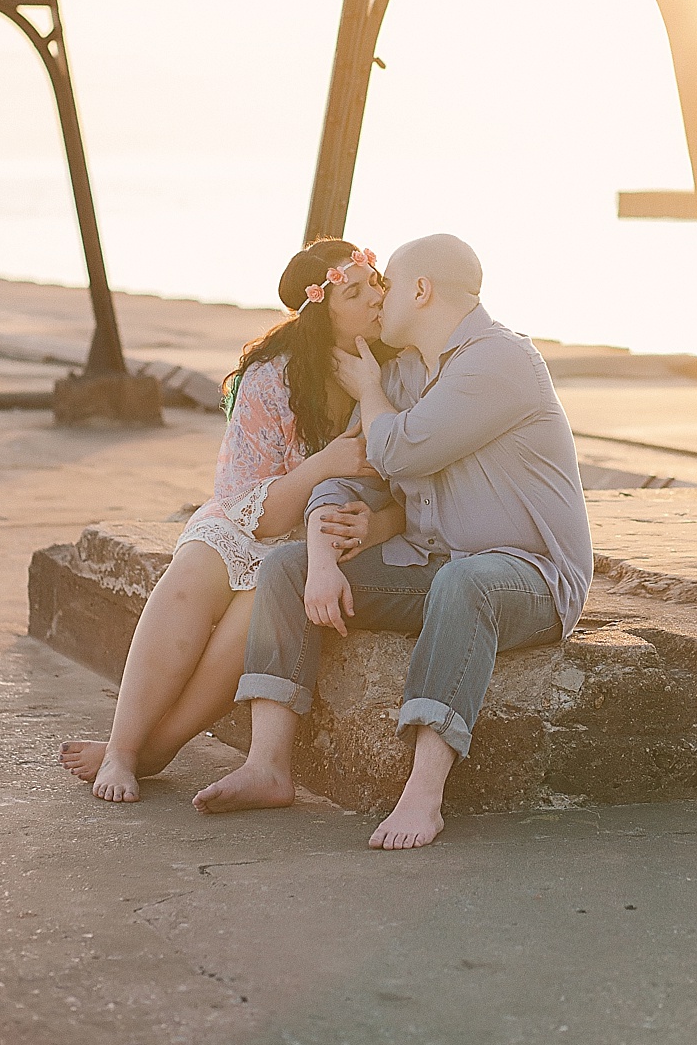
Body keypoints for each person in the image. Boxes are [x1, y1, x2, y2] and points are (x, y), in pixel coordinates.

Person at [191, 234, 592, 851]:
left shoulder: (500, 360)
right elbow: (350, 471)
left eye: (390, 285)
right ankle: (267, 766)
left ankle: (423, 794)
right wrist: (323, 562)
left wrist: (370, 394)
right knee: (287, 569)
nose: (381, 299)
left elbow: (400, 447)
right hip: (435, 565)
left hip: (530, 576)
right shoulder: (403, 372)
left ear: (422, 291)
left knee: (467, 582)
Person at [60, 240, 390, 802]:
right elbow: (254, 517)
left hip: (320, 541)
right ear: (320, 312)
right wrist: (326, 462)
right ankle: (121, 747)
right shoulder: (272, 377)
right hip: (255, 518)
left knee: (251, 617)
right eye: (354, 292)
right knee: (190, 581)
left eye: (377, 283)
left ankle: (157, 748)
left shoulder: (397, 369)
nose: (376, 298)